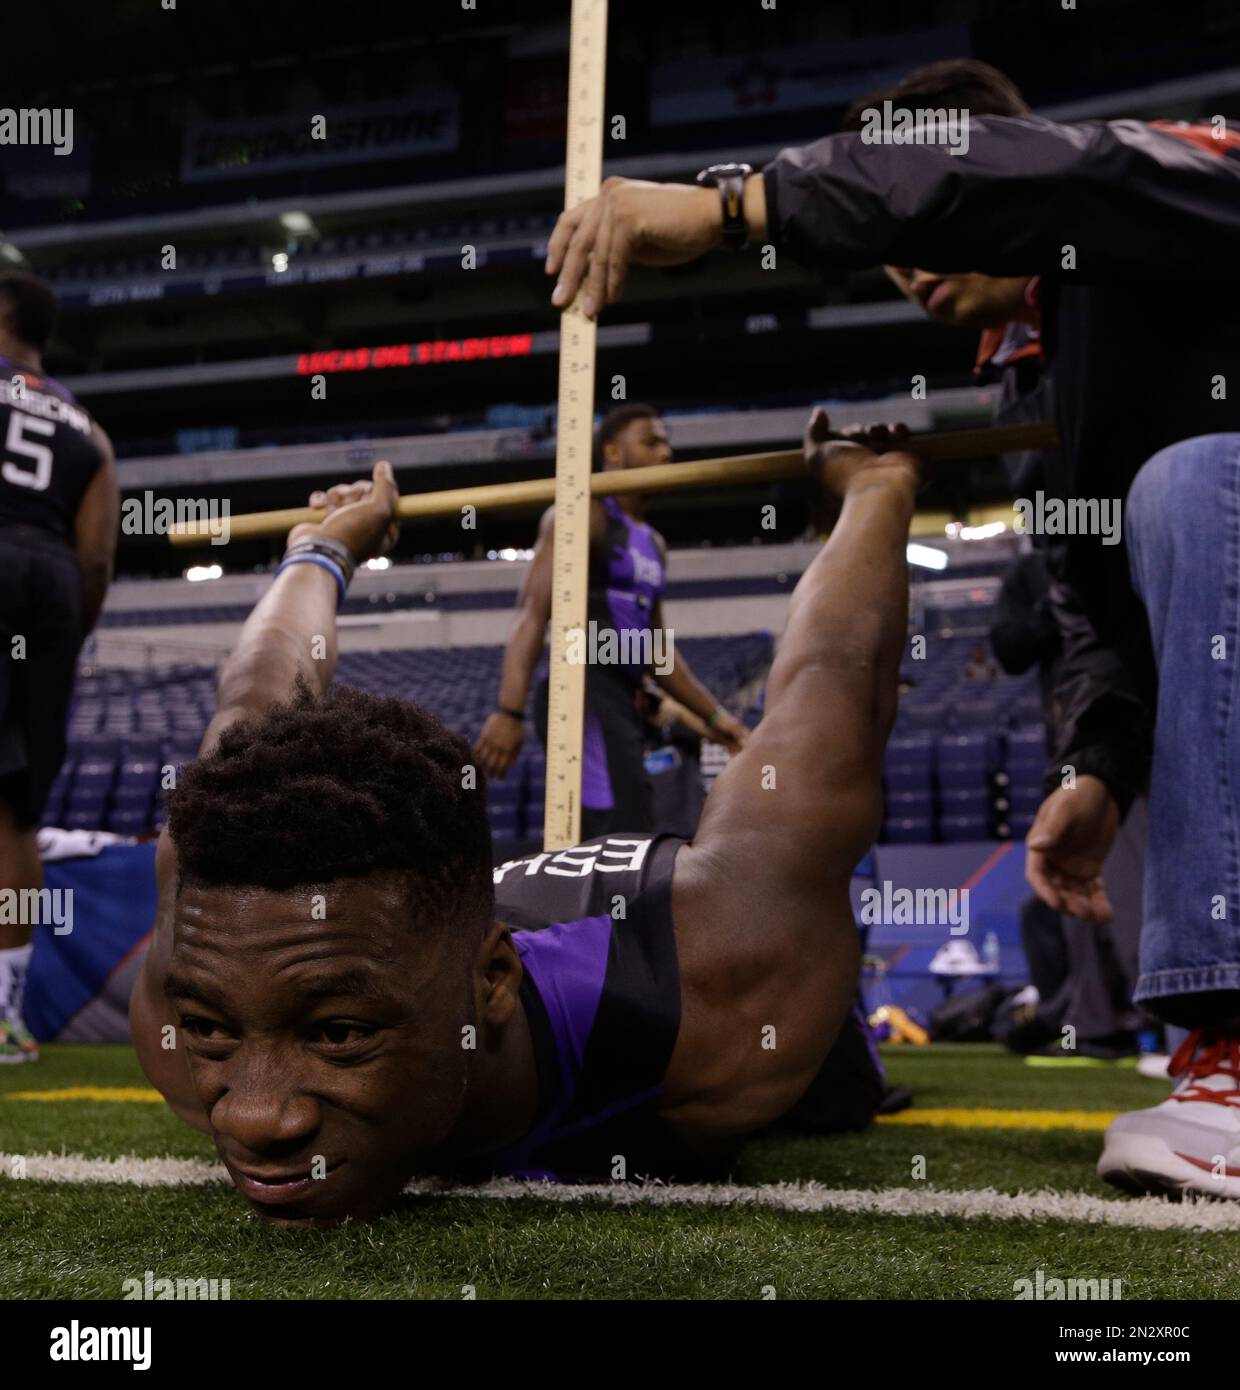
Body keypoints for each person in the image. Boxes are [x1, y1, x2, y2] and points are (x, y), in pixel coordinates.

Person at [541, 58, 1240, 1197]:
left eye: (917, 212)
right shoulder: (1031, 379)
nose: (905, 257)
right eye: (891, 234)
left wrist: (732, 205)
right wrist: (1101, 761)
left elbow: (980, 170)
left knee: (1197, 478)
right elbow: (1093, 598)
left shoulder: (1133, 180)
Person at [129, 414, 918, 1224]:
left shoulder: (717, 985)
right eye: (213, 1031)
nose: (254, 1120)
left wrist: (875, 489)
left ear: (494, 983)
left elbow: (834, 677)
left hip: (670, 951)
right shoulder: (192, 984)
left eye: (339, 1034)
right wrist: (322, 548)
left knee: (835, 1096)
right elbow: (255, 695)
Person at [474, 403, 746, 836]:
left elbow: (656, 652)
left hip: (626, 698)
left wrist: (719, 721)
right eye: (652, 442)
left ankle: (608, 907)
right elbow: (531, 611)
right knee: (616, 829)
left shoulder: (654, 544)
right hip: (582, 693)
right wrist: (509, 710)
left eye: (667, 442)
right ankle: (596, 908)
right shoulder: (588, 515)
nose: (666, 453)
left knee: (632, 828)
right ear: (614, 454)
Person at [0, 272, 119, 1064]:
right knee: (14, 816)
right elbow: (99, 559)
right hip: (48, 585)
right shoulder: (90, 431)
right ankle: (5, 1016)